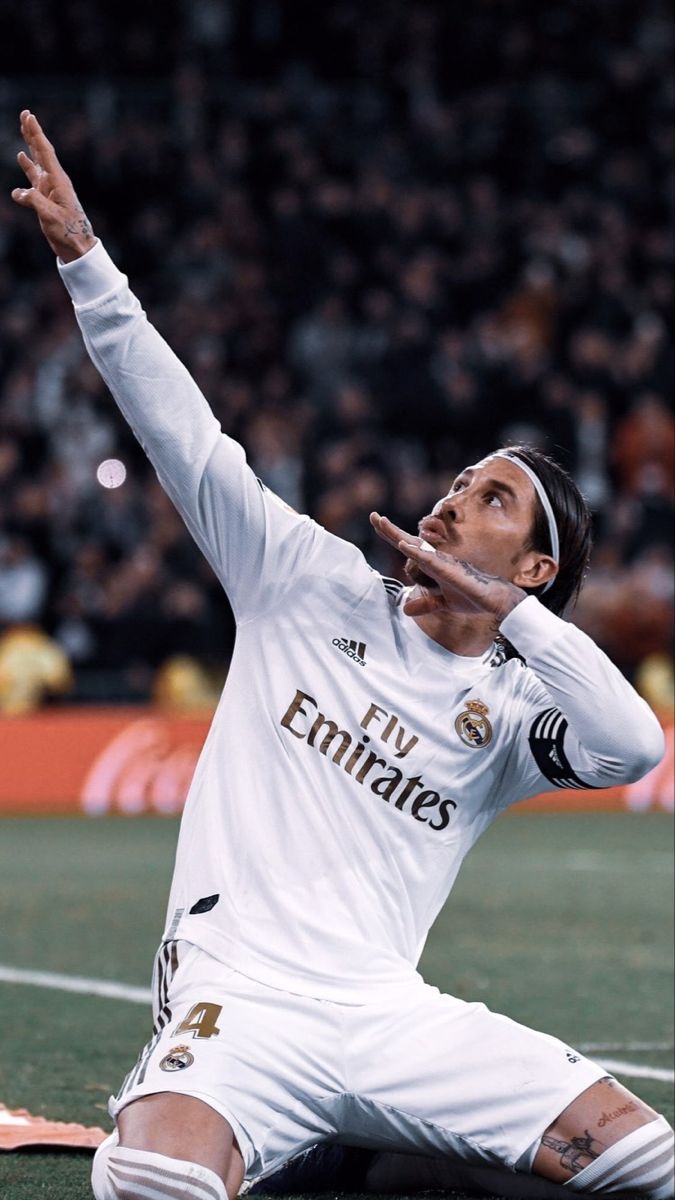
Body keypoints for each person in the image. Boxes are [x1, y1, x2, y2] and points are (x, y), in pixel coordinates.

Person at [12, 111, 673, 1200]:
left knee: (644, 1159)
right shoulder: (300, 579)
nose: (455, 499)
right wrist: (90, 266)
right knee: (151, 1182)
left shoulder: (510, 714)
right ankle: (344, 1151)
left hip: (382, 1013)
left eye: (492, 497)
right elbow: (186, 438)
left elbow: (632, 745)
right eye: (461, 480)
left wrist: (511, 621)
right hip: (241, 994)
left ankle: (362, 1154)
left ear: (538, 569)